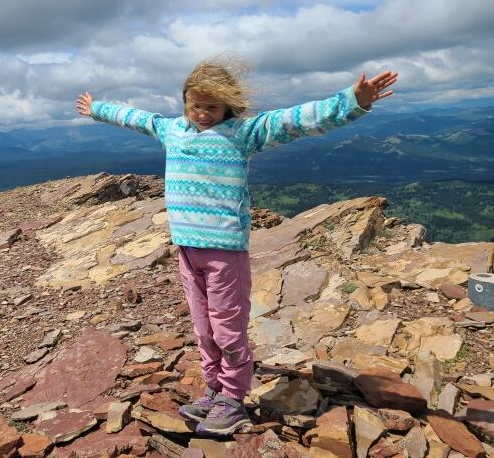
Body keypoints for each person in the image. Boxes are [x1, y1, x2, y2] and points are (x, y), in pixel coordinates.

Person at [76, 56, 397, 436]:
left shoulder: (243, 133)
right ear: (184, 102)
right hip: (186, 249)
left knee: (228, 329)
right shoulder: (172, 130)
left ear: (228, 106)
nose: (202, 114)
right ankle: (214, 388)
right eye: (195, 105)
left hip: (224, 251)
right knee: (203, 327)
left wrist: (352, 101)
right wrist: (97, 109)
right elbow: (135, 117)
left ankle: (233, 398)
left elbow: (294, 121)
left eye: (211, 107)